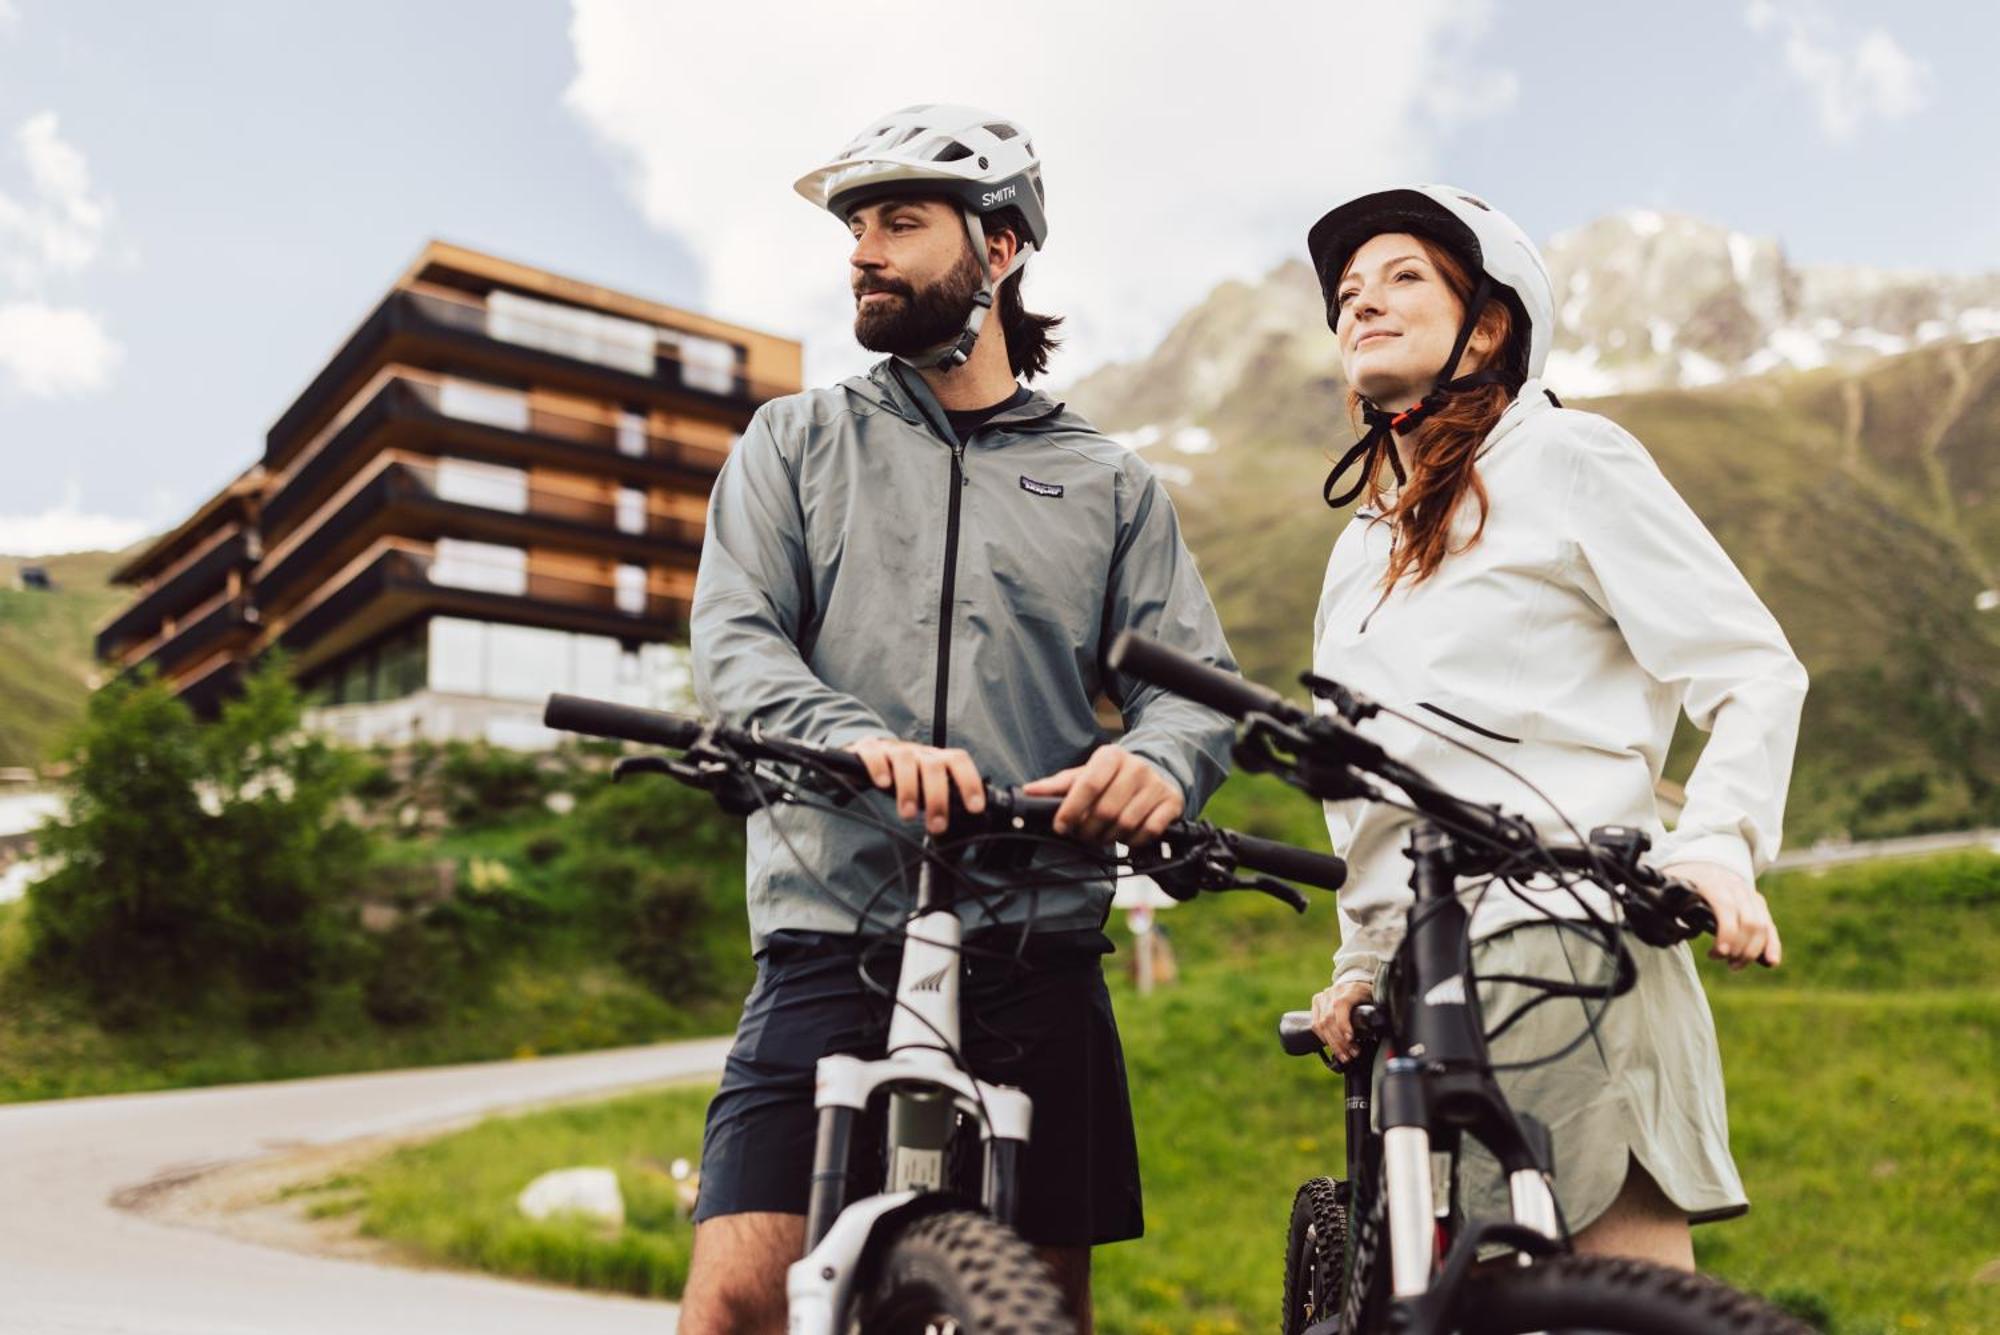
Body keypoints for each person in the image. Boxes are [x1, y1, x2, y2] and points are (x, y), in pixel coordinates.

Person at [681, 104, 1237, 1333]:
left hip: (1032, 937)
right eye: (855, 227)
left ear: (998, 250)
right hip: (833, 924)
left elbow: (1188, 690)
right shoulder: (796, 441)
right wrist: (850, 737)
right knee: (734, 1302)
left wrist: (1156, 766)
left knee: (1037, 1312)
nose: (863, 251)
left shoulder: (1108, 483)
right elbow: (734, 637)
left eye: (899, 221)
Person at [1298, 185, 1809, 1268]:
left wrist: (1715, 847)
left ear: (1486, 323)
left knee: (1613, 1306)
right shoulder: (1356, 556)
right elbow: (1371, 801)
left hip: (1566, 941)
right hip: (1416, 992)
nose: (1361, 306)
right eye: (1347, 292)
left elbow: (1750, 669)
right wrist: (1359, 961)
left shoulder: (1570, 461)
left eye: (1401, 279)